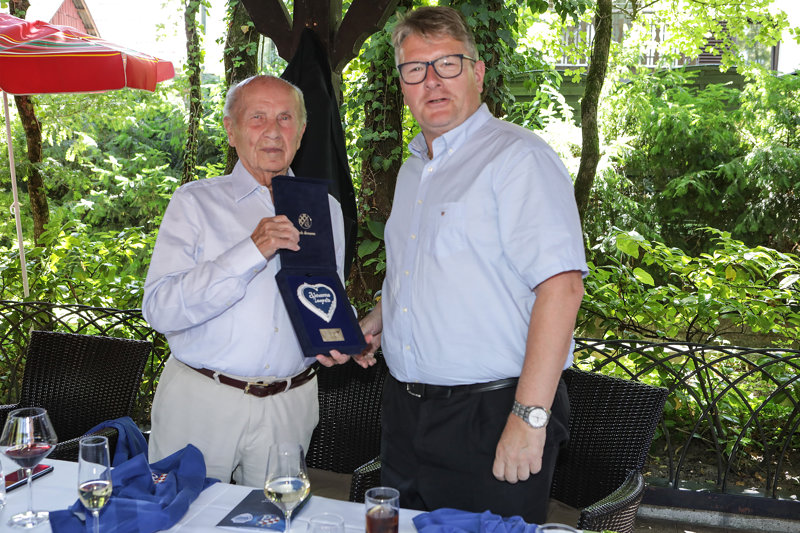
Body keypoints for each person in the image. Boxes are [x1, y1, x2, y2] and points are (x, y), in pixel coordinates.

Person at [331, 6, 588, 523]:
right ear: (402, 84)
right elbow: (422, 271)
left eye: (447, 64)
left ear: (478, 72)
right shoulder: (413, 171)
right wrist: (381, 319)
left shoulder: (518, 159)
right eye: (415, 69)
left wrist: (529, 417)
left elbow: (562, 289)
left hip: (491, 415)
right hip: (406, 415)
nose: (432, 81)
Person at [142, 75, 346, 486]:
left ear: (302, 132)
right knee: (186, 514)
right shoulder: (195, 202)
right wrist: (251, 250)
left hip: (290, 406)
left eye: (285, 118)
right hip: (203, 402)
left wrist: (339, 337)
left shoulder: (326, 208)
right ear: (231, 130)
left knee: (277, 515)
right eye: (257, 117)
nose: (273, 130)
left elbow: (325, 295)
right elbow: (159, 309)